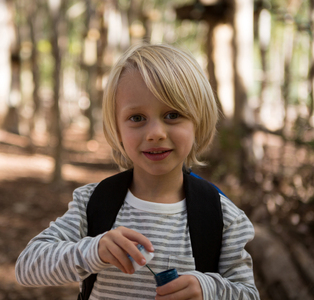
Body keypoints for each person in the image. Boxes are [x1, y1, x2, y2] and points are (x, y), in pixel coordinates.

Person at [15, 43, 260, 300]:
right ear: (117, 129)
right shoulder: (94, 203)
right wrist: (93, 251)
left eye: (173, 115)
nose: (155, 133)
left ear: (198, 123)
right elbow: (27, 267)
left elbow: (248, 294)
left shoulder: (222, 217)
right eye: (137, 118)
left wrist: (207, 289)